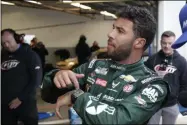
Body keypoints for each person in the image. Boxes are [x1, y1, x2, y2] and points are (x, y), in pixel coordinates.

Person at [41, 5, 169, 124]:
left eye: (120, 31)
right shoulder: (93, 66)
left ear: (139, 43)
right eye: (113, 28)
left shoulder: (152, 84)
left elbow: (119, 119)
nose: (110, 34)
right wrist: (56, 76)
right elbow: (48, 95)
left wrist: (76, 96)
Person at [144, 31, 187, 124]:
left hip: (171, 104)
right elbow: (144, 78)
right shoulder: (152, 59)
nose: (167, 46)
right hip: (153, 103)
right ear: (160, 42)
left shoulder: (182, 61)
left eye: (170, 43)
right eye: (164, 43)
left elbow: (184, 83)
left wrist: (179, 98)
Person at [1, 29, 43, 125]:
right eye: (3, 43)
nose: (6, 45)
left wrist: (20, 98)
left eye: (8, 42)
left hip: (25, 103)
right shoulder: (3, 56)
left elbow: (36, 80)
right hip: (5, 105)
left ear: (16, 39)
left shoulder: (30, 55)